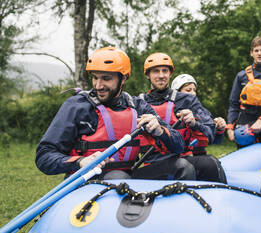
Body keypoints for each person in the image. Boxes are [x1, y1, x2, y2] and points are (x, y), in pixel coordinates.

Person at [36, 47, 193, 180]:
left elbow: (179, 145)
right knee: (118, 177)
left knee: (182, 167)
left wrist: (160, 131)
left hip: (127, 179)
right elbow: (44, 156)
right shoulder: (77, 106)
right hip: (88, 183)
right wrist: (80, 161)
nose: (99, 85)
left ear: (123, 78)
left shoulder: (138, 106)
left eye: (106, 79)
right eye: (95, 78)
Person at [140, 53, 226, 183]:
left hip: (183, 157)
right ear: (148, 75)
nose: (161, 75)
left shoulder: (188, 100)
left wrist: (194, 124)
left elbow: (211, 135)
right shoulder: (139, 103)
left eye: (165, 71)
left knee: (210, 163)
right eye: (156, 71)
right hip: (153, 164)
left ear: (170, 74)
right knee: (183, 167)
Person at [171, 73, 227, 151]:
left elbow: (216, 140)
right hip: (180, 155)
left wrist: (219, 129)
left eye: (194, 90)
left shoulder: (200, 110)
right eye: (188, 90)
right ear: (177, 92)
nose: (193, 93)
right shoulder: (171, 112)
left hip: (199, 154)